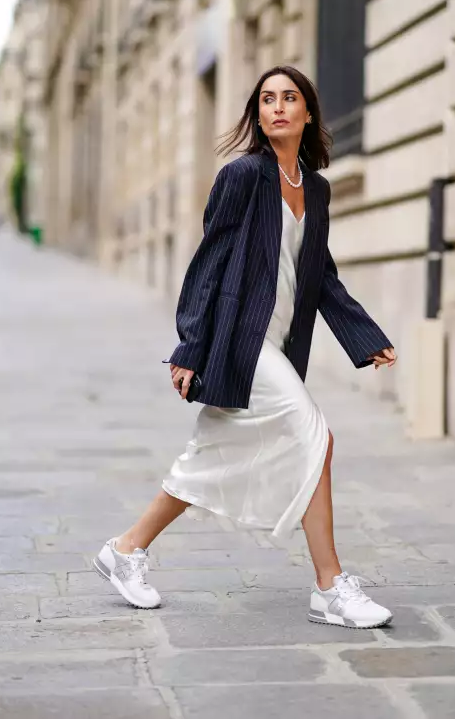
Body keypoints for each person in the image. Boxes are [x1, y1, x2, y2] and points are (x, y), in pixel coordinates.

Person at [93, 66, 398, 628]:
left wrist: (365, 336)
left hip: (280, 341)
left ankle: (125, 549)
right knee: (316, 436)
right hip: (241, 341)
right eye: (267, 99)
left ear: (308, 113)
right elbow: (208, 261)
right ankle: (330, 586)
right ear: (257, 115)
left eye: (290, 98)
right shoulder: (243, 177)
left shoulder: (318, 188)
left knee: (207, 461)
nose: (278, 107)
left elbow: (321, 275)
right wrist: (190, 345)